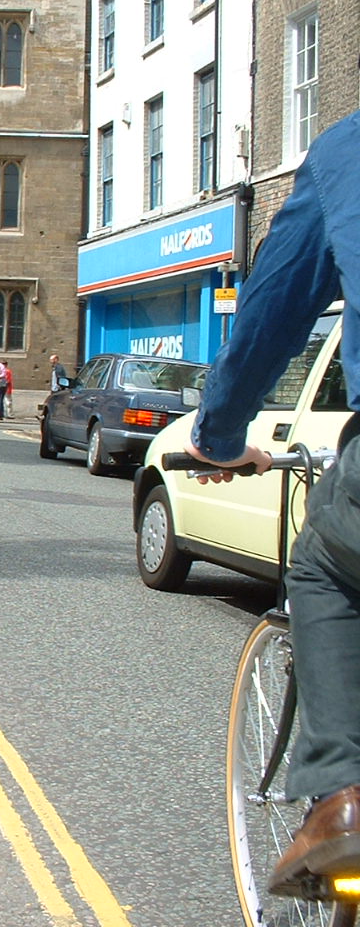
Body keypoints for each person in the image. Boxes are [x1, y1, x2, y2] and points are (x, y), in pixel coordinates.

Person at [182, 111, 360, 899]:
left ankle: (341, 801)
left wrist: (219, 433)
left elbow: (269, 315)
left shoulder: (347, 146)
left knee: (325, 566)